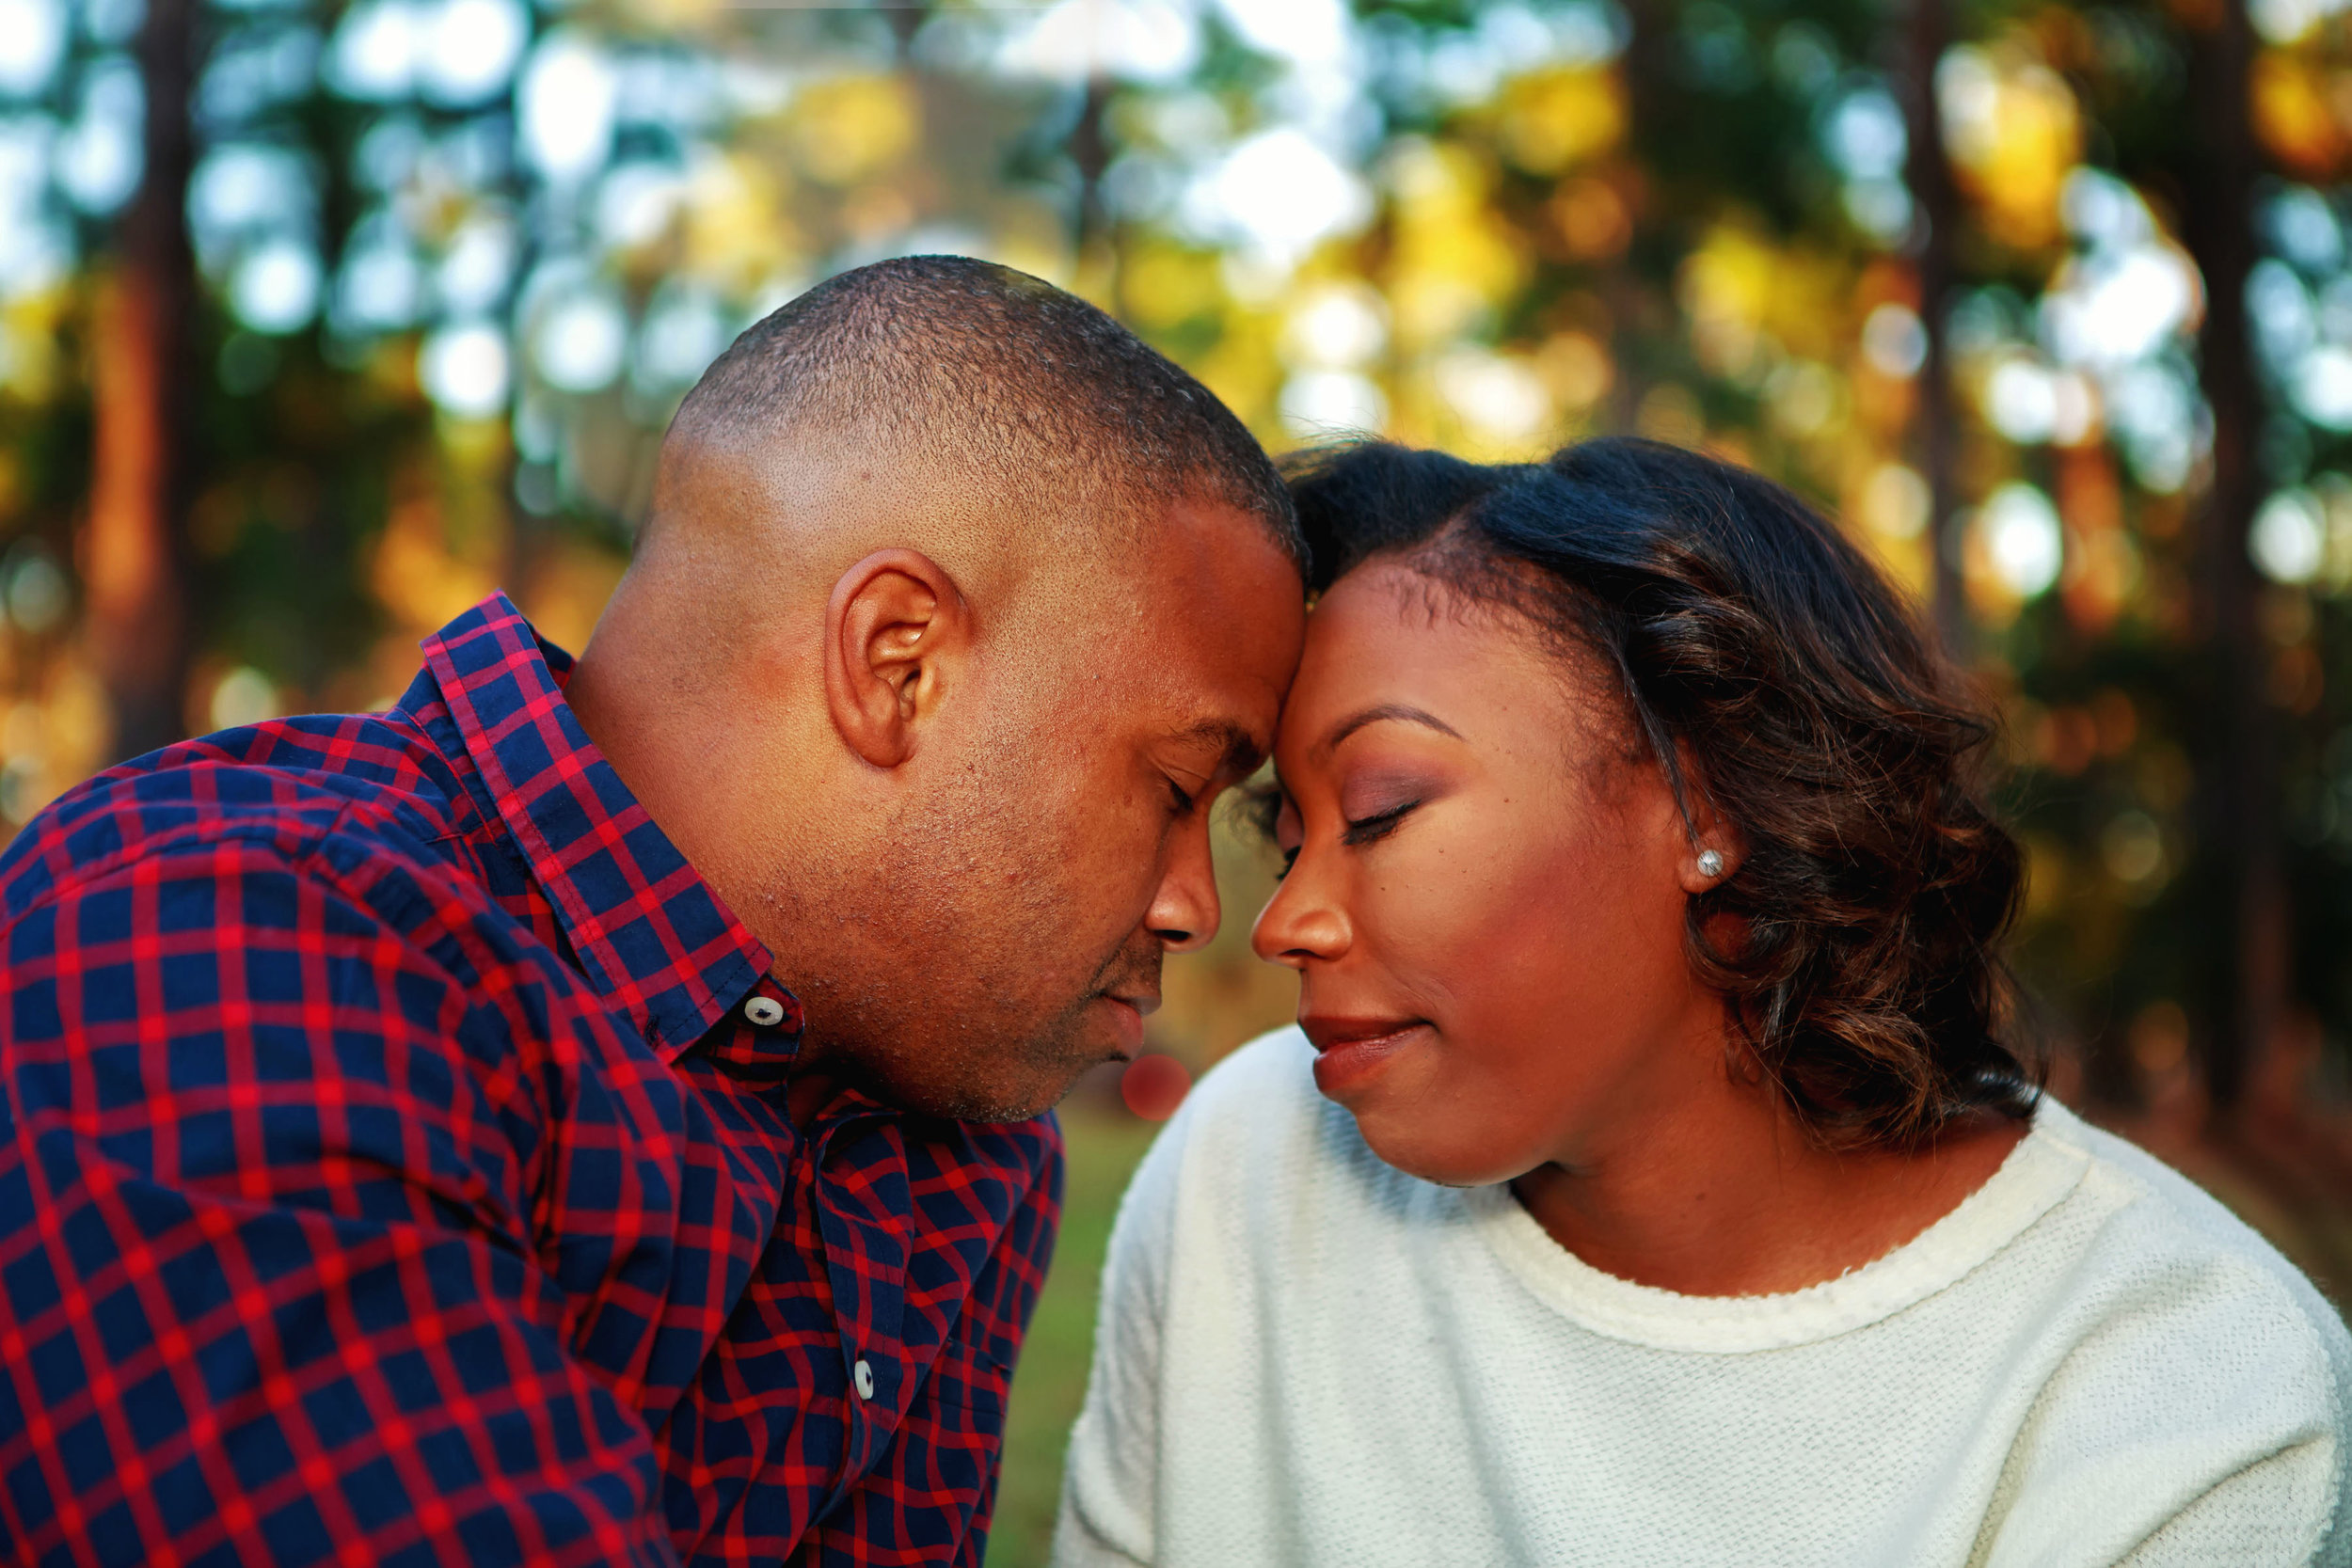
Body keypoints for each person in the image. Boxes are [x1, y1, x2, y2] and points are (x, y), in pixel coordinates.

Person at [0, 257, 1306, 1566]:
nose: (1199, 905)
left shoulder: (958, 1131)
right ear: (898, 662)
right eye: (1177, 786)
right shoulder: (232, 937)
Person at [1055, 437, 2352, 1568]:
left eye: (1384, 810)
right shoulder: (1252, 1166)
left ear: (1709, 802)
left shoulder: (2189, 1387)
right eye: (1291, 840)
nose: (1285, 920)